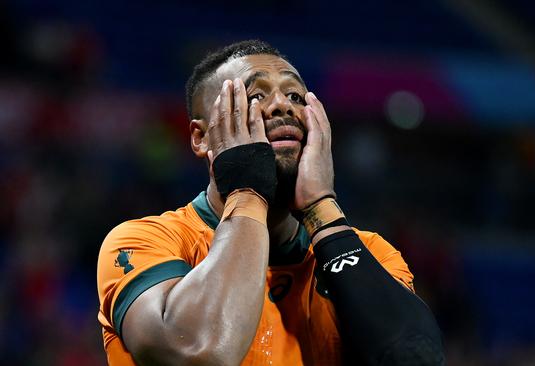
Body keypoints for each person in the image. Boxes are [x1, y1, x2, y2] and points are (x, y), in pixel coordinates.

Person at [96, 39, 445, 366]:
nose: (281, 104)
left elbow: (415, 358)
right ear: (202, 138)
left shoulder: (369, 252)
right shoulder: (146, 242)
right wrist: (248, 192)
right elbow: (198, 353)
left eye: (295, 95)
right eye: (253, 95)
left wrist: (321, 208)